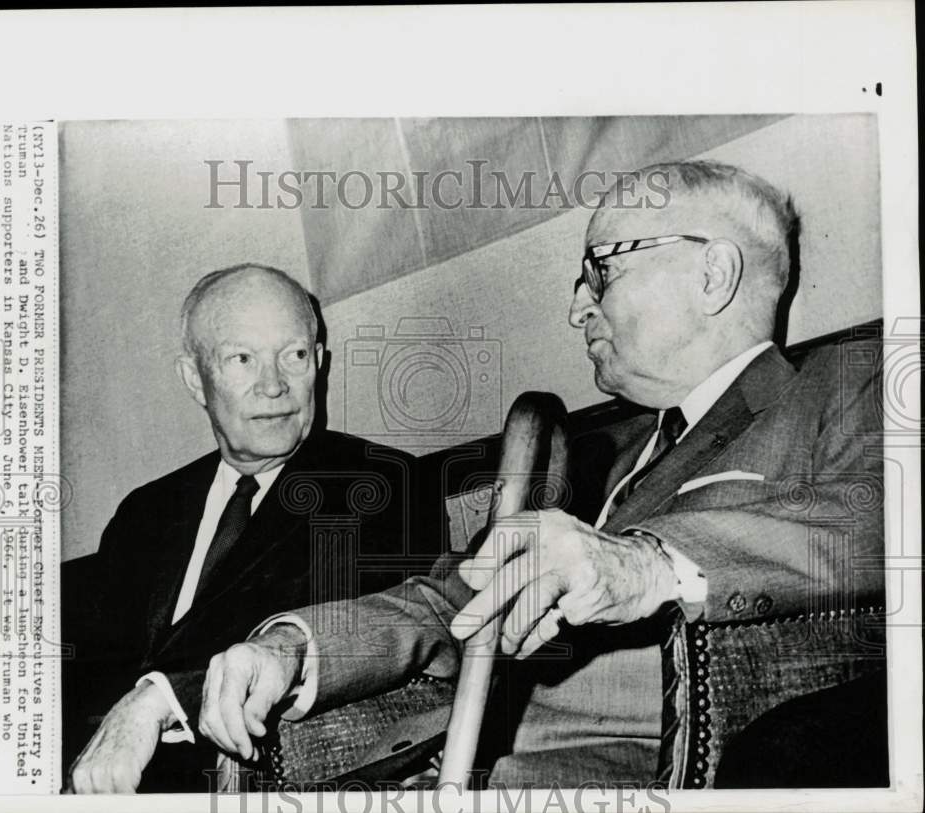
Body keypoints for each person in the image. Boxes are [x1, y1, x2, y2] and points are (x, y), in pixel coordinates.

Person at [144, 160, 886, 787]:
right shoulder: (605, 459)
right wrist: (293, 647)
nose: (576, 307)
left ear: (714, 274)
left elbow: (884, 521)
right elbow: (449, 603)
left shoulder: (843, 386)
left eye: (603, 267)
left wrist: (645, 563)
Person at [63, 264, 431, 793]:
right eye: (243, 359)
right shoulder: (146, 511)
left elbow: (327, 628)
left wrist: (159, 699)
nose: (275, 385)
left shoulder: (379, 485)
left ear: (320, 363)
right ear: (195, 379)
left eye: (295, 355)